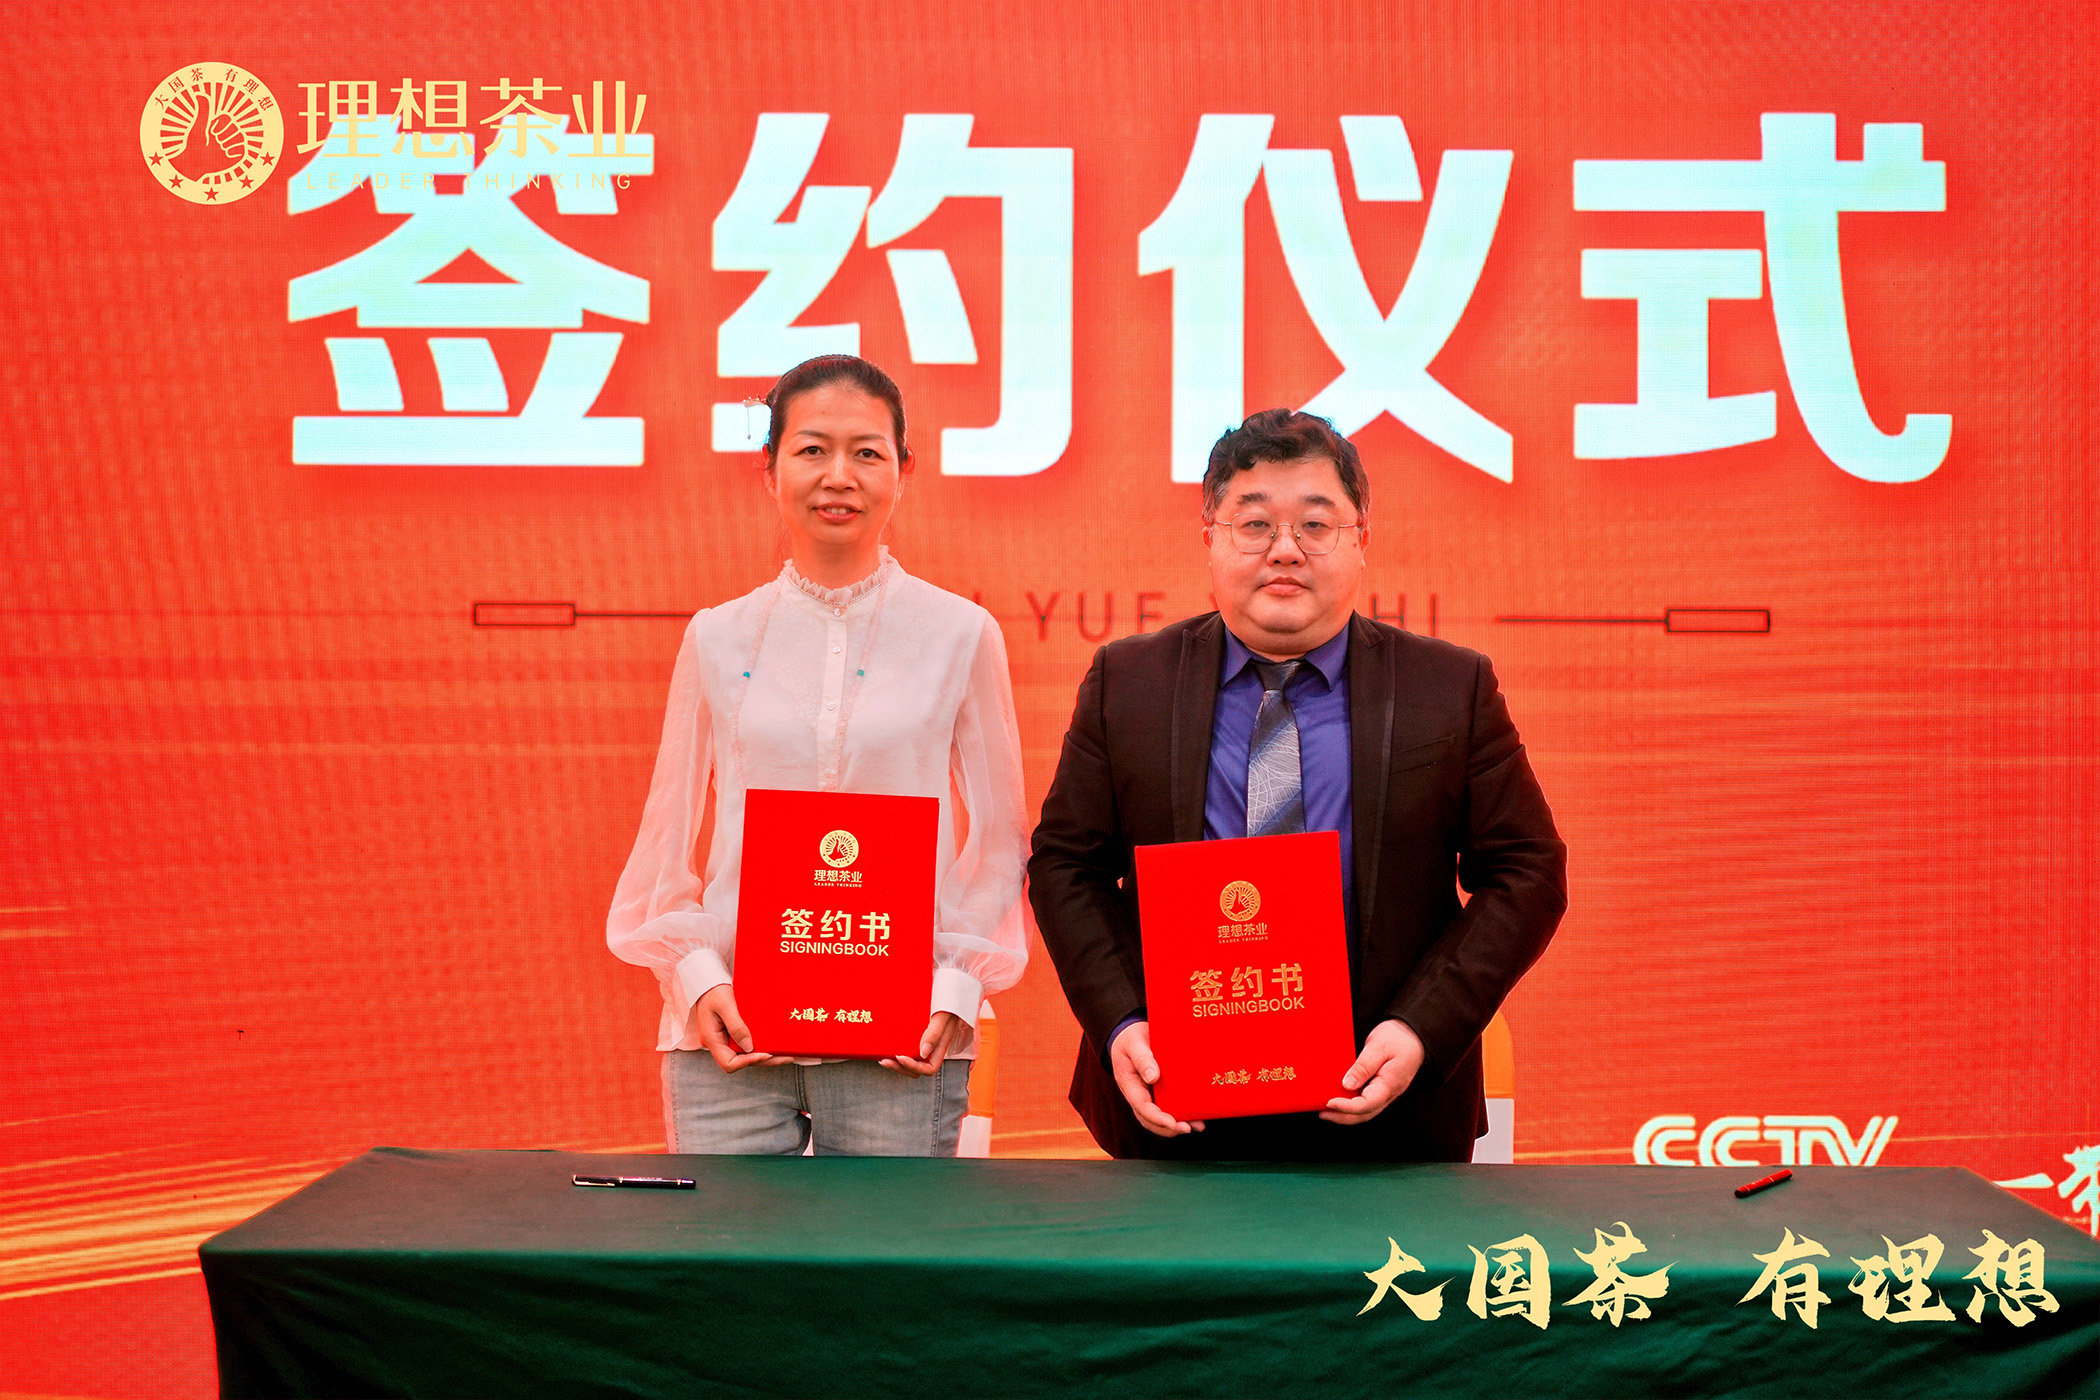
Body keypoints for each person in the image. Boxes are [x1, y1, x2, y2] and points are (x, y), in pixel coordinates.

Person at [1029, 408, 1566, 1161]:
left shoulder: (1448, 687)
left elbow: (1528, 871)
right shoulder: (1130, 681)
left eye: (1316, 525)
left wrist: (1419, 1027)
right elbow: (1066, 864)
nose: (1285, 549)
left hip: (1385, 1113)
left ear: (1361, 539)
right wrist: (1122, 1021)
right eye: (1255, 525)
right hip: (1172, 1104)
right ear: (1210, 536)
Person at [608, 355, 1028, 1156]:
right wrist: (695, 977)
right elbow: (667, 836)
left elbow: (1002, 839)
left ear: (904, 470)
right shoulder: (717, 636)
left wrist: (956, 984)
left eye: (867, 452)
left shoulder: (961, 634)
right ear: (770, 469)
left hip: (903, 1037)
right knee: (726, 1241)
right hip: (730, 1030)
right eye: (812, 450)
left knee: (886, 1245)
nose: (839, 476)